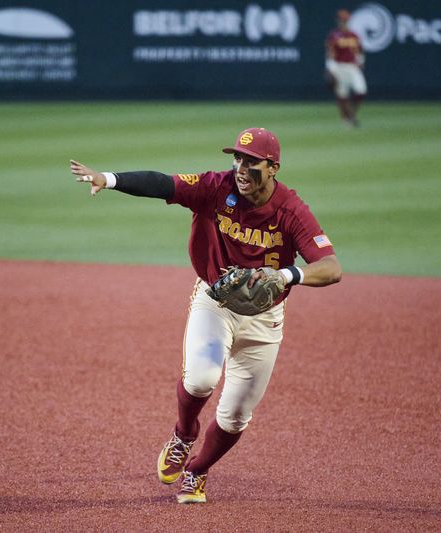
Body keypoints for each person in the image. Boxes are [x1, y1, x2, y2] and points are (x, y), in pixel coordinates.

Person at [71, 127, 342, 504]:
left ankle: (197, 472)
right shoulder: (217, 187)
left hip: (265, 321)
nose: (242, 168)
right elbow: (164, 184)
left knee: (235, 417)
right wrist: (109, 179)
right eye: (238, 159)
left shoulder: (291, 210)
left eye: (252, 162)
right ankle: (184, 433)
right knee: (201, 380)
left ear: (274, 166)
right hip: (215, 301)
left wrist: (285, 274)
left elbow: (331, 267)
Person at [325, 9, 366, 127]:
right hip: (339, 66)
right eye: (342, 20)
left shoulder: (354, 35)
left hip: (352, 67)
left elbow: (360, 51)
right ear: (338, 21)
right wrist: (330, 69)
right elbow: (330, 53)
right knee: (342, 94)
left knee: (361, 90)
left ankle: (351, 114)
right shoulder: (334, 35)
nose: (343, 22)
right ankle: (346, 118)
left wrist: (361, 61)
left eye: (345, 20)